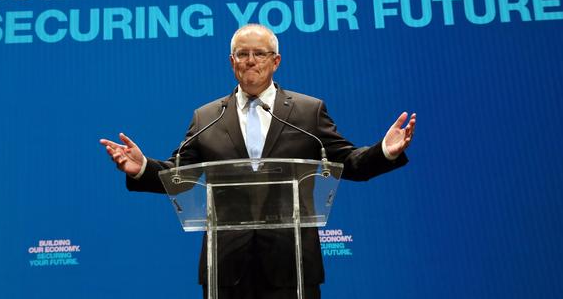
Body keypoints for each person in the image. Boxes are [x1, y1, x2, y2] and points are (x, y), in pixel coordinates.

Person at [100, 24, 416, 299]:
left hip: (292, 265)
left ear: (276, 61)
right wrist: (142, 167)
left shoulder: (307, 111)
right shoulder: (207, 116)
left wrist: (384, 151)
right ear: (231, 62)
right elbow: (179, 177)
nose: (250, 61)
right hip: (226, 266)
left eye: (260, 54)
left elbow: (348, 162)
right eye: (242, 54)